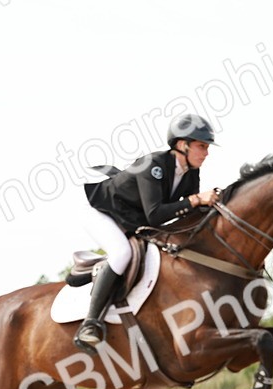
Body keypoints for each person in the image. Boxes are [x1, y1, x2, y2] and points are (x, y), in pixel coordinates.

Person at [76, 112, 220, 351]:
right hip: (98, 209)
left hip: (131, 217)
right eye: (201, 146)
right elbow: (156, 214)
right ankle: (90, 323)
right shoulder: (154, 165)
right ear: (182, 145)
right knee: (122, 252)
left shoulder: (190, 172)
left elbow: (187, 214)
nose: (206, 152)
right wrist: (196, 200)